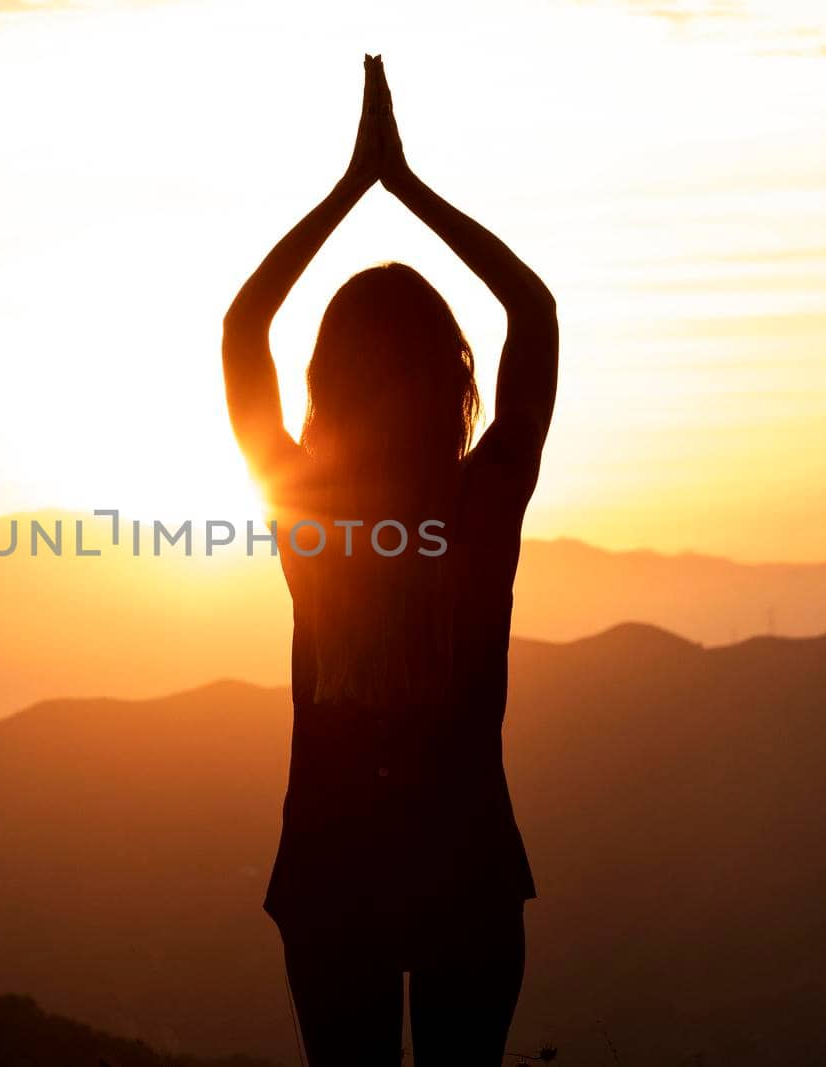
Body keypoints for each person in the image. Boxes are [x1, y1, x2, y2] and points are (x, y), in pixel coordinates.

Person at [220, 55, 558, 1065]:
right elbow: (532, 314)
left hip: (331, 875)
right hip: (466, 872)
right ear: (453, 375)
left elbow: (242, 329)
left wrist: (349, 191)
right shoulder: (480, 504)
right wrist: (406, 187)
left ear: (326, 380)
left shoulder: (306, 512)